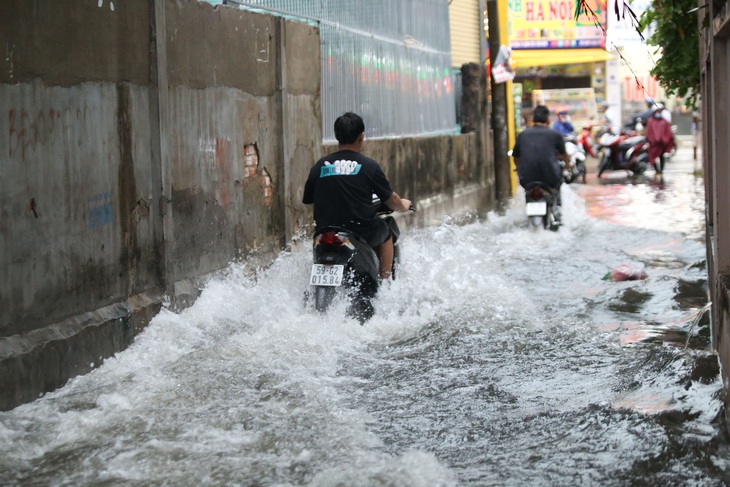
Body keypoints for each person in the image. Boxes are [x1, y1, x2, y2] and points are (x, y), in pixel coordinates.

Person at [302, 112, 412, 280]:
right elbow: (392, 200)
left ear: (337, 136)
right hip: (359, 231)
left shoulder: (319, 166)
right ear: (361, 137)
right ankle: (385, 286)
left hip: (325, 233)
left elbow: (308, 198)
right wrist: (403, 205)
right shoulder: (369, 166)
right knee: (386, 230)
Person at [511, 105, 570, 212]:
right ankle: (558, 215)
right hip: (550, 177)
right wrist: (567, 165)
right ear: (548, 119)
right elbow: (565, 155)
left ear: (533, 119)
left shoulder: (523, 135)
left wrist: (518, 167)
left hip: (527, 179)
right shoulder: (555, 134)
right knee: (558, 190)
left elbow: (516, 156)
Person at [645, 104, 674, 175]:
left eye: (659, 111)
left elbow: (668, 132)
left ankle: (661, 171)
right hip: (654, 144)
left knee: (662, 156)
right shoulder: (651, 121)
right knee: (652, 156)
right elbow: (649, 132)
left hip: (662, 144)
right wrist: (650, 140)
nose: (658, 113)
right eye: (657, 111)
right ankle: (657, 170)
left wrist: (665, 140)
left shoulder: (664, 121)